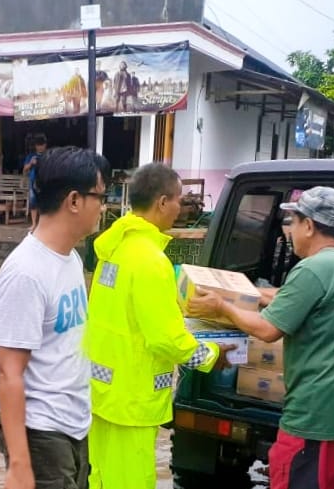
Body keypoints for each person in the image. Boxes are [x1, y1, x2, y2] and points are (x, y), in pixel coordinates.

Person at [188, 186, 334, 489]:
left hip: (318, 416)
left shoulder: (313, 268)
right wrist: (247, 291)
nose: (289, 230)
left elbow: (267, 330)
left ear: (309, 225)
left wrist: (222, 306)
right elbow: (295, 298)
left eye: (292, 222)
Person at [85, 163, 233, 489]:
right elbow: (166, 339)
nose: (182, 207)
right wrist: (210, 355)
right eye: (180, 200)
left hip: (102, 391)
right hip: (133, 399)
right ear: (162, 202)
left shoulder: (114, 249)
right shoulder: (152, 262)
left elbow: (125, 314)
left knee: (101, 479)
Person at [0, 146, 110, 489]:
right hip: (41, 430)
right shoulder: (25, 273)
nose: (103, 208)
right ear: (74, 201)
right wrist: (18, 464)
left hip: (74, 421)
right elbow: (8, 371)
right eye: (100, 197)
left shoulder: (70, 258)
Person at [22, 133, 48, 232]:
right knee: (33, 203)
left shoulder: (48, 155)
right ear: (35, 145)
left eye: (42, 144)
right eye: (38, 145)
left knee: (44, 204)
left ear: (45, 145)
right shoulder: (31, 156)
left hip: (45, 182)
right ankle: (34, 224)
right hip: (33, 182)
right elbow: (25, 170)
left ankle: (43, 225)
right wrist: (31, 163)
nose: (40, 147)